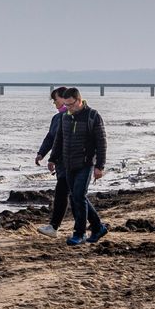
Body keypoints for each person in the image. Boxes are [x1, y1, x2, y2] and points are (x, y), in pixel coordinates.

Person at [49, 87, 108, 246]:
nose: (68, 108)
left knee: (79, 197)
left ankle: (79, 233)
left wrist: (100, 166)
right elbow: (59, 140)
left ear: (79, 100)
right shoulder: (65, 117)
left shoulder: (92, 116)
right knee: (76, 196)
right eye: (66, 105)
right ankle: (98, 227)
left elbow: (101, 143)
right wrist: (52, 158)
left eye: (71, 105)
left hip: (85, 164)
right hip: (68, 164)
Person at [34, 87, 73, 237]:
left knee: (65, 195)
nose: (54, 103)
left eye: (55, 99)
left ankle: (54, 227)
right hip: (61, 163)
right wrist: (41, 153)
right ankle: (96, 226)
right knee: (73, 196)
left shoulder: (72, 116)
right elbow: (51, 138)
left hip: (72, 163)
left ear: (64, 98)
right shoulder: (56, 118)